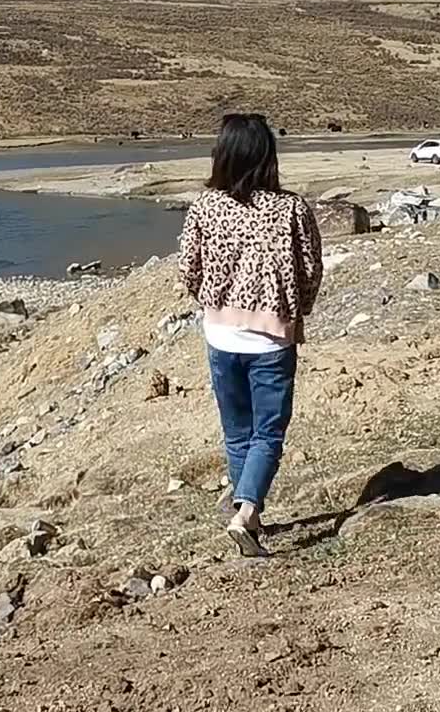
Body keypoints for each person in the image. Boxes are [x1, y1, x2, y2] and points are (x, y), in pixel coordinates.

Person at [177, 113, 324, 557]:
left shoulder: (205, 205)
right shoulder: (292, 208)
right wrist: (295, 312)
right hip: (270, 339)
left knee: (237, 431)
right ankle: (246, 511)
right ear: (266, 155)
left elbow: (187, 266)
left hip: (220, 334)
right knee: (268, 433)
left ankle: (248, 517)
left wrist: (212, 302)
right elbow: (311, 270)